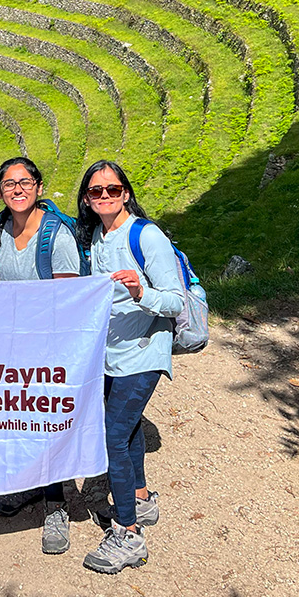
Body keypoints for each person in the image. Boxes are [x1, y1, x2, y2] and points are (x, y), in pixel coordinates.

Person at [74, 160, 185, 573]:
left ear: (126, 192)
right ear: (86, 198)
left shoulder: (146, 235)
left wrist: (142, 292)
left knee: (112, 436)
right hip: (110, 353)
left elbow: (175, 300)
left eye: (113, 189)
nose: (105, 197)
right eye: (96, 191)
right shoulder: (98, 238)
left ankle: (127, 533)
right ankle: (140, 495)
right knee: (131, 426)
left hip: (143, 351)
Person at [0, 157, 83, 555]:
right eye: (9, 184)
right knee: (17, 421)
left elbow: (69, 298)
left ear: (39, 187)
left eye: (25, 182)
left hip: (48, 348)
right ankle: (27, 487)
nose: (17, 190)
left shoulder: (56, 237)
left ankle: (56, 504)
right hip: (11, 347)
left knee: (47, 425)